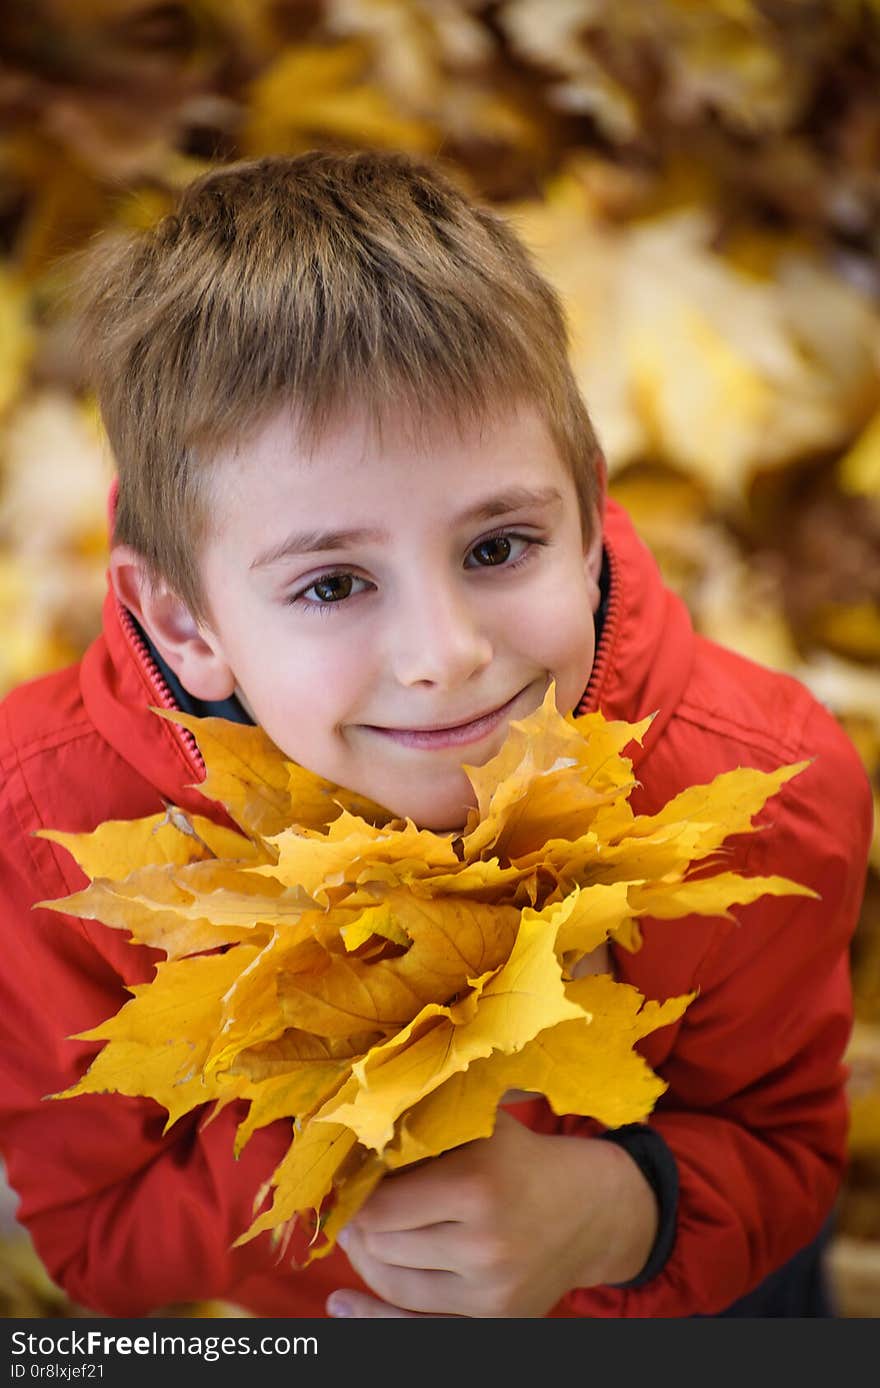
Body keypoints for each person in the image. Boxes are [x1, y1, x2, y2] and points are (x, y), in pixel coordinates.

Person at [0, 150, 872, 1320]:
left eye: (497, 547)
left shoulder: (760, 783)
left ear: (582, 508)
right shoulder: (46, 834)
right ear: (183, 617)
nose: (445, 652)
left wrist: (625, 1207)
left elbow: (781, 1141)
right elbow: (101, 1236)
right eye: (330, 584)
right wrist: (345, 1110)